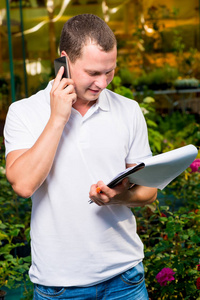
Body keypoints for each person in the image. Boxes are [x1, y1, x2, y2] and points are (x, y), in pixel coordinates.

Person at [4, 14, 157, 300]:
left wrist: (117, 197)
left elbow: (148, 191)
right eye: (93, 73)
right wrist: (58, 118)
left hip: (126, 278)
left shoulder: (129, 110)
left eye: (109, 71)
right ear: (64, 60)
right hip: (59, 286)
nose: (103, 83)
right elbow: (23, 185)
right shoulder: (23, 112)